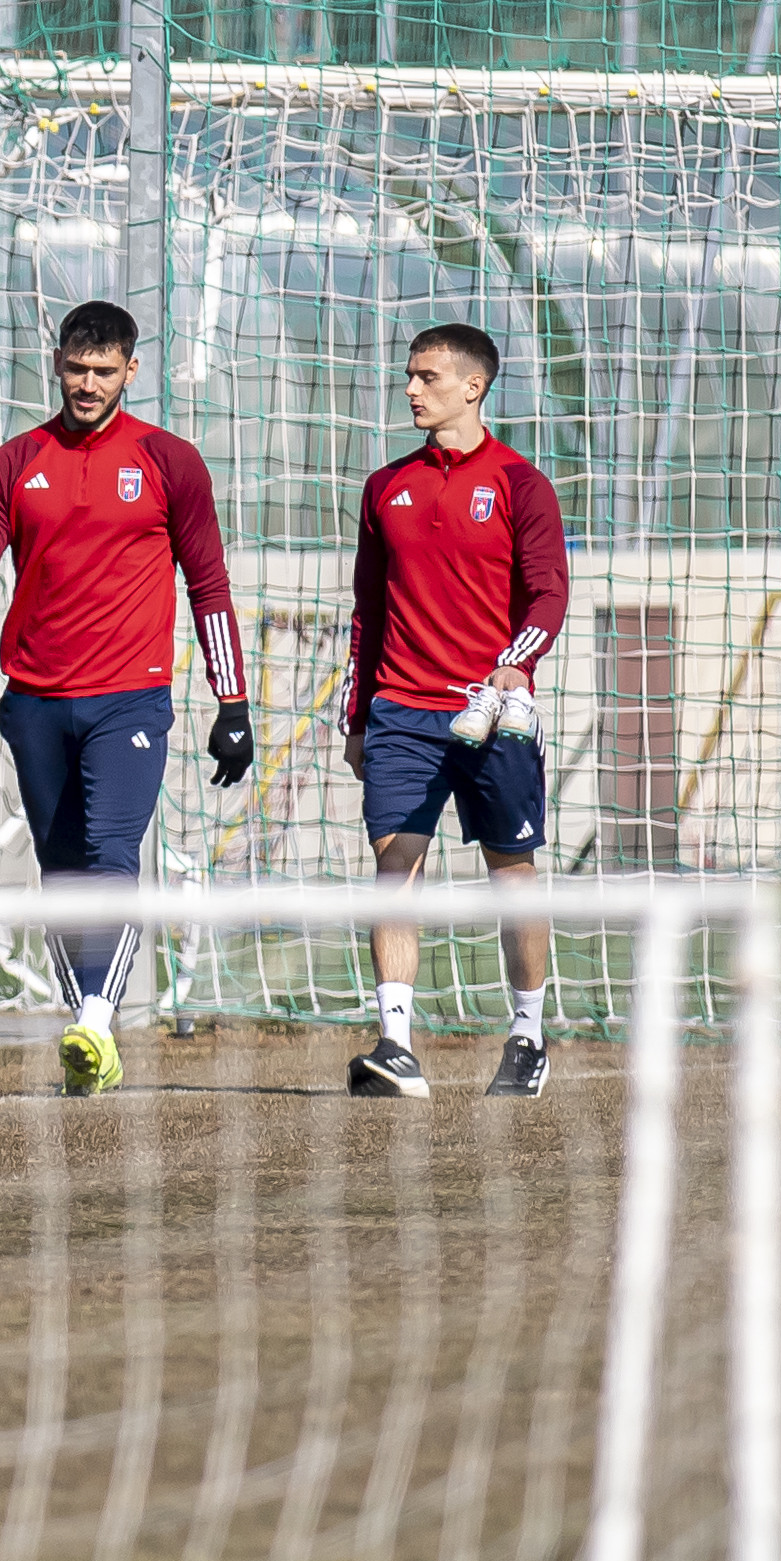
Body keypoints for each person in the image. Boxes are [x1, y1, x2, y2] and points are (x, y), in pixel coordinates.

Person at [0, 299, 249, 1096]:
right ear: (57, 364)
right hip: (35, 703)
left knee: (112, 855)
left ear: (130, 371)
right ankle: (90, 1031)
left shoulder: (169, 462)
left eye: (103, 371)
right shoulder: (13, 463)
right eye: (76, 369)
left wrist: (233, 702)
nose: (87, 384)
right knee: (64, 871)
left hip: (129, 701)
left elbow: (208, 585)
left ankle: (97, 1022)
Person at [343, 322, 569, 1100]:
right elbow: (368, 611)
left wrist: (516, 664)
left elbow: (549, 595)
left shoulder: (520, 484)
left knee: (513, 876)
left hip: (490, 712)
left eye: (428, 377)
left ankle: (528, 1036)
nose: (412, 388)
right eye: (410, 375)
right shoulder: (385, 487)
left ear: (473, 386)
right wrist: (358, 717)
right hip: (402, 712)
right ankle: (396, 1045)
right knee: (395, 869)